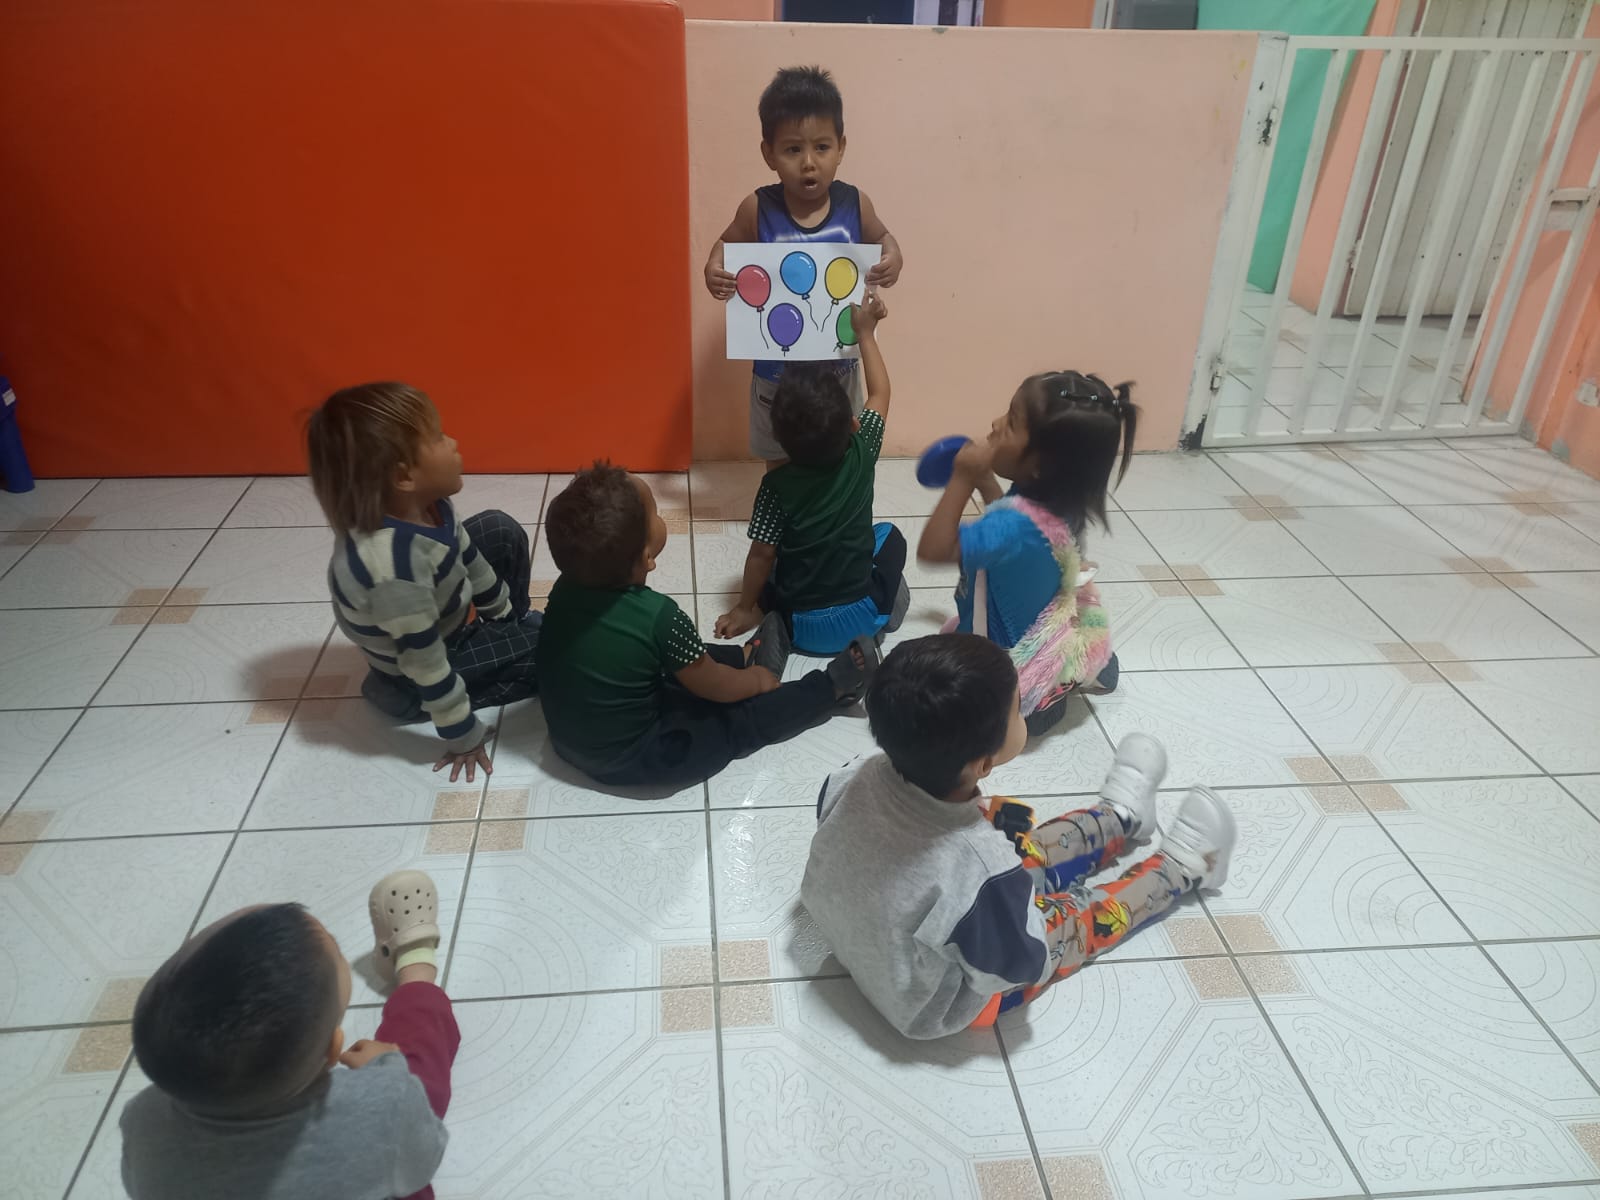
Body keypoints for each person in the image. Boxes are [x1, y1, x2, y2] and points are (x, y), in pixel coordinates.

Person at [801, 634, 1235, 1040]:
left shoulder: (853, 773)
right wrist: (1021, 904)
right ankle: (1186, 868)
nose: (1024, 710)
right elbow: (1023, 963)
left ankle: (1120, 819)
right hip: (931, 1004)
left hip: (870, 948)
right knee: (1073, 917)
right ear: (983, 764)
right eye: (1017, 710)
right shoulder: (980, 865)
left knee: (1012, 854)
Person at [535, 464, 880, 788]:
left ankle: (744, 656)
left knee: (667, 658)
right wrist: (756, 682)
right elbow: (716, 687)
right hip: (641, 756)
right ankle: (831, 688)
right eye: (655, 512)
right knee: (737, 719)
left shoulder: (563, 589)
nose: (660, 516)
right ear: (646, 557)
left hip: (570, 742)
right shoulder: (660, 616)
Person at [120, 870, 458, 1200]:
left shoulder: (143, 1120)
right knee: (415, 1073)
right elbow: (425, 1158)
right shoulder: (383, 1103)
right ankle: (416, 973)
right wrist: (387, 1070)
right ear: (333, 1051)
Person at [307, 382, 540, 782]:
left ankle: (510, 633)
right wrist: (463, 736)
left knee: (498, 529)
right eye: (438, 438)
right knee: (553, 648)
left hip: (443, 621)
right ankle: (403, 699)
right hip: (419, 670)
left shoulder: (430, 505)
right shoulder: (394, 571)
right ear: (404, 476)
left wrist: (504, 616)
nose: (453, 442)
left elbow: (469, 556)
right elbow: (426, 664)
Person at [916, 371, 1137, 737]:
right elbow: (1008, 523)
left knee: (950, 690)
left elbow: (933, 549)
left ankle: (1049, 699)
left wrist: (962, 479)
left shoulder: (1012, 528)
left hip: (1014, 663)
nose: (995, 423)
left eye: (1012, 422)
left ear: (1040, 464)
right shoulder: (1055, 501)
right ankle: (1094, 664)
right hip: (1039, 622)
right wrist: (986, 482)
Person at [703, 64, 904, 466]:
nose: (809, 162)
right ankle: (782, 502)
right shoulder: (757, 207)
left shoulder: (855, 204)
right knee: (778, 460)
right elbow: (726, 243)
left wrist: (892, 257)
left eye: (822, 147)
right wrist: (714, 267)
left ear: (841, 147)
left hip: (839, 375)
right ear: (769, 154)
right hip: (775, 379)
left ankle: (832, 501)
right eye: (793, 149)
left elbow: (884, 237)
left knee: (841, 456)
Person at [713, 292, 908, 654]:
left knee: (775, 562)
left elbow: (761, 554)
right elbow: (881, 392)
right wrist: (866, 334)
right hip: (862, 618)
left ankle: (772, 633)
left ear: (778, 440)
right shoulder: (863, 449)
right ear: (853, 423)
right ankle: (885, 616)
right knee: (890, 537)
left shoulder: (775, 486)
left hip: (799, 624)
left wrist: (744, 608)